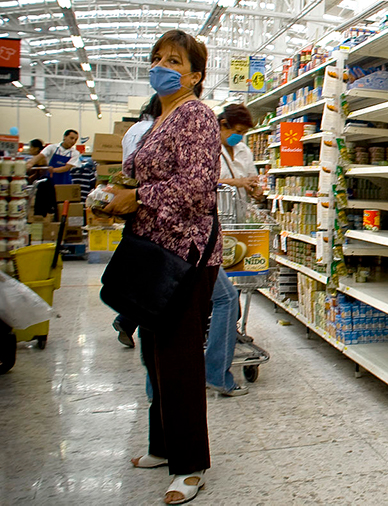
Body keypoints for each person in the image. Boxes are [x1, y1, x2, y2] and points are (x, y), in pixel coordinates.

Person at [103, 30, 220, 505]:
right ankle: (161, 445)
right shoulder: (159, 118)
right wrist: (113, 191)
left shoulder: (196, 116)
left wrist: (137, 197)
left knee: (178, 357)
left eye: (174, 60)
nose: (162, 65)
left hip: (184, 255)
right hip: (153, 251)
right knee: (154, 354)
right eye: (156, 58)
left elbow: (196, 189)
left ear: (195, 75)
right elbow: (137, 172)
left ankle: (189, 465)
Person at [205, 103, 259, 397]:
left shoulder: (245, 152)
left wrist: (254, 187)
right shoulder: (206, 147)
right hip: (211, 227)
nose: (239, 138)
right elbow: (203, 182)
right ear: (222, 124)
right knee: (224, 297)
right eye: (236, 132)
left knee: (231, 291)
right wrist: (235, 181)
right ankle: (215, 367)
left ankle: (220, 340)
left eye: (243, 134)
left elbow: (250, 181)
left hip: (237, 226)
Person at [111, 95, 162, 349]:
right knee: (154, 268)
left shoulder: (133, 129)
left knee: (141, 263)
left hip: (131, 200)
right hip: (149, 203)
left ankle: (128, 318)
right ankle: (132, 319)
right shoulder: (154, 130)